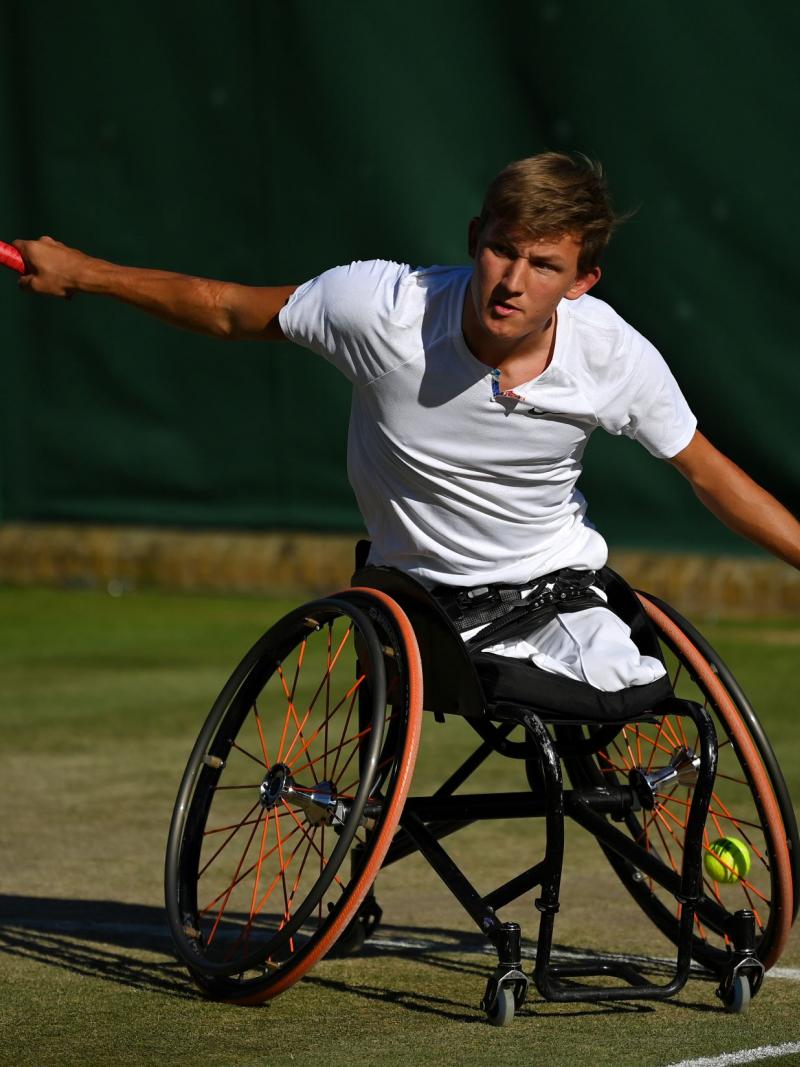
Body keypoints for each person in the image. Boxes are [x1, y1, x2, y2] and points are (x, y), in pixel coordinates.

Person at [13, 153, 800, 692]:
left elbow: (707, 471)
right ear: (475, 241)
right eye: (502, 251)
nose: (512, 282)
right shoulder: (382, 310)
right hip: (418, 601)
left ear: (582, 281)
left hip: (559, 594)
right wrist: (82, 272)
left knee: (646, 694)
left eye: (545, 266)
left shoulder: (615, 355)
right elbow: (225, 310)